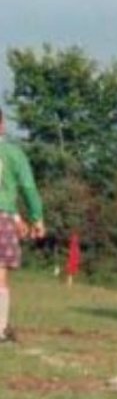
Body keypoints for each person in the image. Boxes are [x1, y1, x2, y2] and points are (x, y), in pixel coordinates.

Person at [0, 108, 45, 343]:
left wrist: (17, 218)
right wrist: (37, 217)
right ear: (2, 125)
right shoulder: (12, 153)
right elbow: (27, 187)